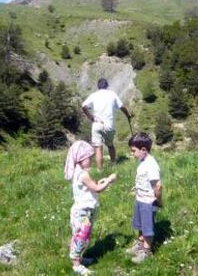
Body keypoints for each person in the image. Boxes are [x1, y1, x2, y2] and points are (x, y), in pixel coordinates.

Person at [64, 140, 117, 275]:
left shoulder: (78, 171)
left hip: (82, 211)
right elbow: (97, 189)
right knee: (81, 237)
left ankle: (79, 258)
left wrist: (100, 182)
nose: (91, 160)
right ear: (81, 158)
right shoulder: (83, 174)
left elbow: (91, 187)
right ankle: (76, 264)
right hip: (83, 212)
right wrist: (109, 180)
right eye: (88, 158)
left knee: (80, 236)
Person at [126, 132, 162, 264]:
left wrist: (159, 201)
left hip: (148, 201)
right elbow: (143, 179)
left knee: (147, 227)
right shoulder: (142, 160)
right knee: (140, 224)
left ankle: (147, 250)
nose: (132, 153)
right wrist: (137, 187)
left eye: (133, 150)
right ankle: (140, 244)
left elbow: (157, 186)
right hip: (140, 199)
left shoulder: (152, 165)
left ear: (143, 149)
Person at [82, 78, 132, 170]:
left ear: (98, 86)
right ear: (107, 86)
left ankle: (99, 170)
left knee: (98, 148)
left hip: (97, 124)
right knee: (110, 145)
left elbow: (84, 106)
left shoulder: (94, 95)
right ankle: (113, 164)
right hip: (109, 125)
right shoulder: (112, 94)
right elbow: (122, 107)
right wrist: (128, 115)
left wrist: (90, 117)